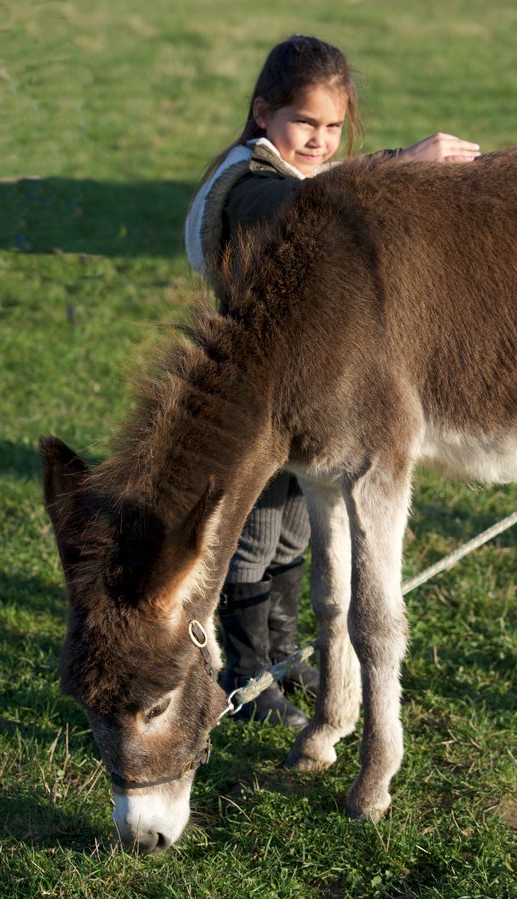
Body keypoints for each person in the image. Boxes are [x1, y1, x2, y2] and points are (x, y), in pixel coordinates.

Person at [185, 35, 480, 729]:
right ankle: (247, 671)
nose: (319, 140)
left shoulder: (299, 170)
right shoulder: (247, 184)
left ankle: (283, 654)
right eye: (305, 123)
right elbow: (304, 208)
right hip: (258, 404)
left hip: (307, 394)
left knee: (295, 533)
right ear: (264, 113)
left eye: (333, 126)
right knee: (255, 536)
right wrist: (404, 165)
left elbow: (328, 184)